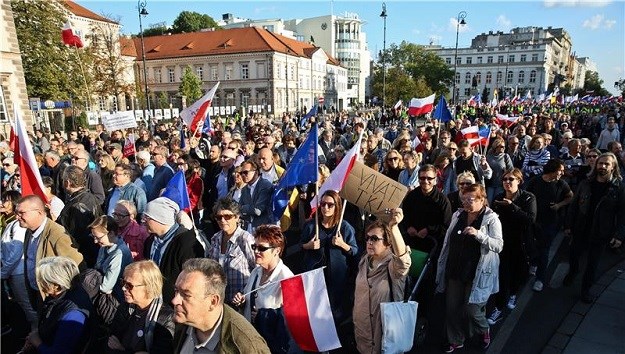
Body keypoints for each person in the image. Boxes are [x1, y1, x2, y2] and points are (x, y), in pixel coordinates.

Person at [436, 184, 503, 352]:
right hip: (455, 269)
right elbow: (448, 241)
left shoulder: (491, 219)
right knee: (452, 308)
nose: (466, 202)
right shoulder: (458, 215)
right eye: (463, 199)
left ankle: (483, 328)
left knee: (471, 310)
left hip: (477, 272)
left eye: (470, 199)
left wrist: (479, 234)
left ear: (482, 200)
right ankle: (456, 339)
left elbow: (498, 245)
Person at [172, 258, 271, 353]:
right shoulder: (179, 325)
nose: (175, 301)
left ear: (213, 301)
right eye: (176, 291)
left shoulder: (246, 346)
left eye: (186, 295)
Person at [564, 152, 625, 303]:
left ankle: (586, 290)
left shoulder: (618, 188)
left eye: (606, 164)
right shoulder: (586, 183)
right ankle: (573, 271)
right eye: (600, 163)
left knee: (593, 264)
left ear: (613, 167)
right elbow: (574, 205)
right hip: (581, 228)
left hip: (601, 232)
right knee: (573, 254)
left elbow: (623, 213)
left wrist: (619, 235)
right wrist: (568, 224)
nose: (602, 166)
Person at [353, 209, 411, 354]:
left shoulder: (393, 265)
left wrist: (394, 227)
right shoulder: (364, 260)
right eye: (367, 238)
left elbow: (403, 262)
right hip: (363, 332)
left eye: (374, 238)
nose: (369, 242)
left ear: (387, 242)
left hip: (384, 333)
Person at [232, 225, 294, 352]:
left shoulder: (287, 278)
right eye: (254, 247)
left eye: (261, 248)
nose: (256, 251)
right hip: (251, 342)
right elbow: (248, 296)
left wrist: (264, 316)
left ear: (276, 250)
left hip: (272, 347)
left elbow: (291, 318)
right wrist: (242, 301)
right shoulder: (256, 272)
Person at [300, 190, 358, 324]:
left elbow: (355, 251)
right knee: (315, 311)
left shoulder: (344, 227)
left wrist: (343, 245)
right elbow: (300, 246)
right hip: (315, 276)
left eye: (330, 205)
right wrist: (308, 246)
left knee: (334, 314)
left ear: (337, 206)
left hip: (337, 278)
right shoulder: (311, 225)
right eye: (323, 204)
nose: (325, 208)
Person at [488, 168, 537, 324]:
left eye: (511, 179)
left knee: (519, 273)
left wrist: (512, 206)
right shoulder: (498, 198)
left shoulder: (528, 198)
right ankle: (499, 307)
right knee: (503, 276)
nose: (507, 182)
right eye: (505, 179)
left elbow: (530, 219)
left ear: (519, 181)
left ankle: (514, 293)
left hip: (521, 244)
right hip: (502, 244)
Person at [20, 256, 92, 354]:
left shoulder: (73, 315)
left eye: (42, 281)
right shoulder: (63, 294)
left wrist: (36, 341)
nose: (39, 284)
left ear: (57, 286)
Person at [142, 197, 205, 304]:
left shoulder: (187, 242)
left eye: (147, 218)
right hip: (153, 302)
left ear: (160, 219)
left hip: (175, 305)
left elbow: (192, 278)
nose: (143, 221)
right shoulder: (150, 241)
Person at [107, 260, 175, 354]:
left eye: (129, 286)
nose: (123, 288)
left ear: (149, 287)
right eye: (123, 282)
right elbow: (111, 339)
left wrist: (122, 350)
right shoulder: (126, 307)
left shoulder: (166, 318)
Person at [525, 159, 573, 292]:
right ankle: (534, 263)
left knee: (544, 250)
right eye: (560, 170)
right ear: (552, 170)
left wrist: (559, 205)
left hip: (551, 222)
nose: (562, 173)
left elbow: (570, 196)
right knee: (533, 245)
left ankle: (540, 279)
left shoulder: (561, 184)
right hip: (535, 220)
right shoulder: (536, 181)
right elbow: (526, 195)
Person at [207, 198, 255, 306]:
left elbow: (258, 270)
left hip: (241, 303)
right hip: (220, 301)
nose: (223, 220)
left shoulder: (246, 239)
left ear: (237, 217)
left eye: (227, 216)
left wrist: (245, 294)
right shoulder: (215, 238)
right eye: (219, 217)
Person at [58, 165, 103, 268]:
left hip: (81, 258)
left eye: (63, 180)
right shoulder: (90, 197)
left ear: (68, 182)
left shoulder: (77, 205)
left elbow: (76, 236)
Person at [401, 164, 452, 249]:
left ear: (435, 180)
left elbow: (446, 225)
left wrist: (429, 230)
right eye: (422, 178)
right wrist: (408, 227)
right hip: (410, 242)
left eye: (429, 178)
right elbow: (403, 216)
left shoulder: (443, 200)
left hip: (432, 244)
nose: (425, 181)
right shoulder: (411, 196)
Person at [89, 216, 133, 302]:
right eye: (93, 236)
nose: (95, 241)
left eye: (98, 237)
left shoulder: (119, 254)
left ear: (111, 233)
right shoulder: (104, 246)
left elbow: (106, 287)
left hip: (116, 300)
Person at [239, 159, 275, 231]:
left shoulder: (265, 185)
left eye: (246, 172)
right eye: (241, 173)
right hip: (248, 228)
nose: (243, 175)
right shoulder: (244, 189)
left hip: (264, 228)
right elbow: (239, 210)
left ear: (256, 172)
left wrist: (242, 208)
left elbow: (258, 210)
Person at [485, 138, 513, 204]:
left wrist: (506, 172)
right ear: (496, 147)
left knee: (497, 202)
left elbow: (511, 169)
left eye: (504, 147)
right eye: (501, 147)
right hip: (490, 184)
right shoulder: (488, 157)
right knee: (489, 202)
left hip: (500, 184)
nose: (503, 148)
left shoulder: (506, 156)